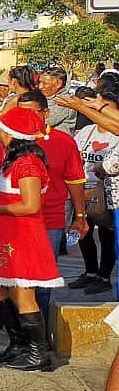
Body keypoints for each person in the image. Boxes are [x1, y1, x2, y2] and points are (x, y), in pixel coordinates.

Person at [0, 90, 87, 338]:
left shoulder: (58, 143)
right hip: (9, 225)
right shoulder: (8, 145)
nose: (25, 118)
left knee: (33, 286)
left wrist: (80, 216)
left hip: (47, 220)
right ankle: (4, 327)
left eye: (32, 112)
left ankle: (34, 340)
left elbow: (75, 180)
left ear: (46, 113)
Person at [0, 106, 63, 372]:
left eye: (1, 129)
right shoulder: (12, 160)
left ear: (11, 135)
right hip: (8, 235)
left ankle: (38, 353)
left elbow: (31, 205)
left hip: (23, 236)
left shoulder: (27, 164)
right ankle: (18, 342)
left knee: (24, 295)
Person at [73, 92, 119, 295]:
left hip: (105, 192)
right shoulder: (86, 131)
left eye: (106, 107)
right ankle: (90, 272)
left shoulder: (115, 134)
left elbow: (110, 165)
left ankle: (104, 276)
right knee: (83, 232)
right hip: (81, 190)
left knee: (107, 235)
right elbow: (73, 156)